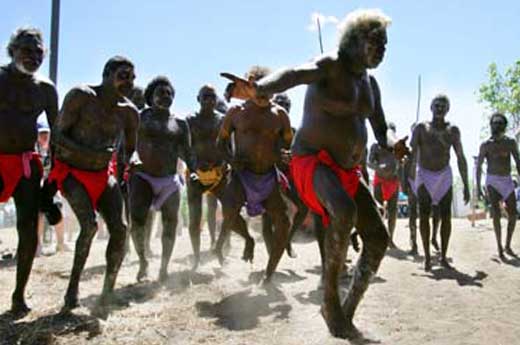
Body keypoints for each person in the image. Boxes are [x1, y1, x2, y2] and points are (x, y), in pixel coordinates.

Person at [222, 9, 408, 338]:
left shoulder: (371, 84)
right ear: (354, 41)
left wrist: (393, 145)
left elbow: (381, 129)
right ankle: (330, 298)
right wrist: (261, 87)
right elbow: (293, 74)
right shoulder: (329, 65)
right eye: (375, 41)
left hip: (349, 172)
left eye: (385, 44)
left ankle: (344, 312)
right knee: (345, 211)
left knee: (378, 238)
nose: (382, 49)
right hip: (312, 163)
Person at [48, 56, 139, 311]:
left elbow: (132, 150)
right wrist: (86, 153)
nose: (129, 82)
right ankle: (72, 289)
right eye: (124, 76)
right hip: (72, 172)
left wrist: (133, 160)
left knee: (120, 229)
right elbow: (57, 136)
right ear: (107, 74)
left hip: (102, 175)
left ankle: (107, 292)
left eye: (132, 78)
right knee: (88, 226)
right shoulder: (81, 95)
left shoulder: (129, 112)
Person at [216, 65, 293, 282]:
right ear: (250, 88)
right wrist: (232, 160)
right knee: (229, 214)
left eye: (269, 89)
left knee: (283, 223)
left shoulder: (280, 115)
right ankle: (223, 244)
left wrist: (284, 156)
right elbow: (220, 143)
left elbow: (287, 146)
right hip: (241, 176)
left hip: (269, 177)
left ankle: (269, 273)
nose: (264, 95)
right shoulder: (236, 113)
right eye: (259, 88)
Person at [0, 27, 58, 314]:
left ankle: (18, 295)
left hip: (26, 162)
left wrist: (54, 177)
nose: (34, 56)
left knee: (28, 229)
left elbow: (57, 133)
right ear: (12, 51)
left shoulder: (45, 89)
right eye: (27, 50)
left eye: (38, 52)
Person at [129, 76, 192, 282]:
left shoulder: (180, 124)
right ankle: (143, 261)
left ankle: (164, 268)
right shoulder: (140, 117)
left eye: (169, 93)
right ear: (150, 96)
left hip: (169, 180)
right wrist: (130, 160)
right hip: (143, 176)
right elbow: (127, 145)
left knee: (170, 223)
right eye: (160, 92)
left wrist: (197, 169)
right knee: (137, 220)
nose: (165, 96)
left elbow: (188, 154)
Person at [411, 94, 470, 271]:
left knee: (445, 216)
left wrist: (466, 184)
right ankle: (428, 257)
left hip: (444, 175)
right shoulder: (421, 128)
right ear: (431, 107)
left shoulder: (453, 130)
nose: (440, 108)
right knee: (424, 215)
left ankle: (443, 256)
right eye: (437, 105)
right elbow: (412, 154)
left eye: (443, 106)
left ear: (448, 109)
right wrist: (408, 178)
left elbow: (460, 157)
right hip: (424, 175)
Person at [261, 93, 309, 258]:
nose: (283, 108)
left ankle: (287, 240)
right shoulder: (266, 131)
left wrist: (293, 158)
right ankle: (272, 256)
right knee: (266, 219)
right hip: (268, 176)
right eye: (279, 104)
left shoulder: (294, 132)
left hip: (288, 176)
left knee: (303, 208)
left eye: (286, 106)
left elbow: (302, 155)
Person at [186, 85, 228, 270]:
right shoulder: (189, 120)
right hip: (196, 173)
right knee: (195, 218)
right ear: (198, 99)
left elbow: (228, 146)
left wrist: (225, 164)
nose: (209, 100)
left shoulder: (223, 121)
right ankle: (196, 257)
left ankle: (219, 247)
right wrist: (194, 166)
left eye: (212, 97)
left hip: (219, 173)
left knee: (230, 212)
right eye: (205, 97)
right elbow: (184, 148)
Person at [476, 112, 520, 258]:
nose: (497, 126)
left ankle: (507, 244)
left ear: (505, 126)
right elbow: (479, 166)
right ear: (491, 125)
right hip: (492, 180)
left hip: (507, 180)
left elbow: (518, 162)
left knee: (513, 214)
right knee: (495, 214)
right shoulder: (486, 145)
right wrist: (478, 188)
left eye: (500, 123)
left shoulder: (510, 143)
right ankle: (499, 246)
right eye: (494, 123)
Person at [36, 123, 70, 255]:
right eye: (41, 134)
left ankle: (61, 243)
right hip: (36, 185)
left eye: (46, 133)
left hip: (52, 183)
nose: (44, 136)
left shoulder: (54, 148)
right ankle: (38, 245)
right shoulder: (34, 148)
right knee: (38, 213)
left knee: (58, 208)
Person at [368, 122, 400, 248]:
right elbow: (369, 163)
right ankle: (378, 238)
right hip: (380, 182)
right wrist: (379, 167)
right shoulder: (376, 146)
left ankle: (390, 238)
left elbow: (404, 161)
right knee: (379, 211)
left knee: (393, 212)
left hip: (394, 182)